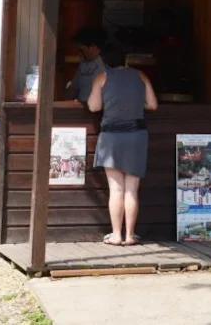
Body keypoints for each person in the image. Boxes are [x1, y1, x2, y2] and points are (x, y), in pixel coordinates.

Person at [86, 43, 158, 246]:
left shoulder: (102, 77)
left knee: (116, 190)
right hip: (136, 135)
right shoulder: (140, 75)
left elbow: (94, 106)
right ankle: (130, 235)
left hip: (112, 137)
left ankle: (116, 235)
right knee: (131, 190)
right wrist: (135, 103)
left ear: (105, 61)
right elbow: (153, 104)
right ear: (125, 58)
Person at [64, 26, 107, 103]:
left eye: (82, 50)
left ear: (93, 47)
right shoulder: (83, 65)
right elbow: (73, 89)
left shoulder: (105, 65)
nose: (79, 54)